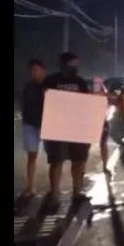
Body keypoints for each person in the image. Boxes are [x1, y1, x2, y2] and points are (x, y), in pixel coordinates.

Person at [42, 52, 91, 205]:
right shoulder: (51, 80)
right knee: (56, 162)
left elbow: (87, 103)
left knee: (79, 161)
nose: (75, 67)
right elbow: (45, 100)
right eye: (72, 63)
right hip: (57, 127)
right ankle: (54, 195)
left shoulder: (81, 82)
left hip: (77, 128)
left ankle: (77, 193)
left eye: (77, 64)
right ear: (63, 64)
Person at [19, 59, 46, 197]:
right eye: (31, 71)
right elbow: (24, 106)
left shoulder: (49, 86)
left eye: (36, 70)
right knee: (32, 157)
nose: (33, 73)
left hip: (48, 125)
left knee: (56, 159)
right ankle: (30, 187)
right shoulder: (27, 87)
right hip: (30, 125)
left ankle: (54, 189)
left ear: (43, 70)